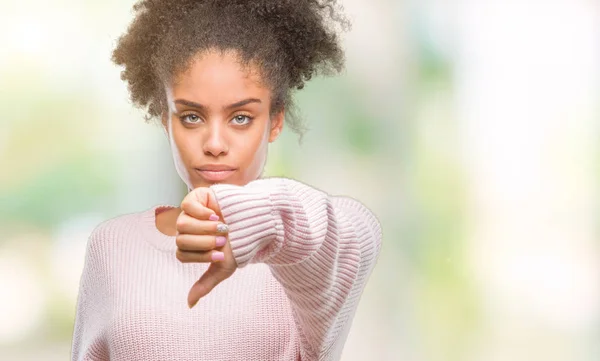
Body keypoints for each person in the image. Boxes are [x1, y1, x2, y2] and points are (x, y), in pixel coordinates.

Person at [70, 0, 382, 360]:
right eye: (190, 117)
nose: (214, 144)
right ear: (164, 119)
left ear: (275, 121)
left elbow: (359, 230)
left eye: (240, 118)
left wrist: (251, 224)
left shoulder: (305, 255)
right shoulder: (113, 247)